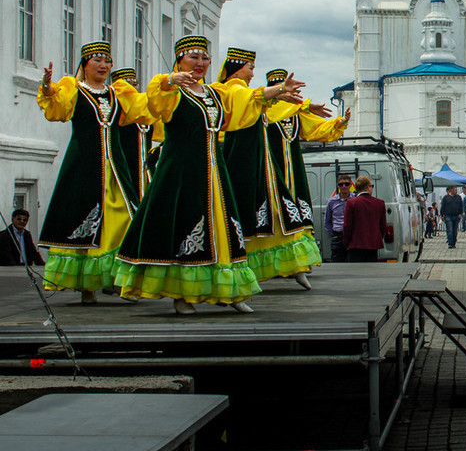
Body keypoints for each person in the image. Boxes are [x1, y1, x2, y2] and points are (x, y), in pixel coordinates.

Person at [115, 36, 304, 314]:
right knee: (184, 226)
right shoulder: (172, 92)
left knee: (225, 226)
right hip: (181, 171)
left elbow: (244, 100)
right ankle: (182, 295)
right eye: (193, 57)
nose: (200, 63)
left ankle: (232, 291)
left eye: (205, 58)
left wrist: (276, 91)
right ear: (179, 59)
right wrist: (169, 80)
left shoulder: (215, 94)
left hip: (214, 171)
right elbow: (154, 103)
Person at [36, 41, 142, 302]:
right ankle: (87, 287)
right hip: (85, 165)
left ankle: (119, 277)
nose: (103, 65)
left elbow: (145, 110)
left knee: (123, 217)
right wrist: (48, 87)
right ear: (84, 65)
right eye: (97, 60)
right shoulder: (75, 90)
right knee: (85, 219)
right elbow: (57, 109)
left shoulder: (118, 93)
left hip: (115, 168)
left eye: (107, 61)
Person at [220, 50, 326, 289]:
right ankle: (237, 275)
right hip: (239, 165)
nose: (252, 73)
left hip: (262, 165)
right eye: (250, 68)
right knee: (245, 219)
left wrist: (302, 107)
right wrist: (285, 95)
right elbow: (254, 99)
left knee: (279, 216)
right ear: (237, 68)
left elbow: (274, 109)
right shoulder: (229, 91)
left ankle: (294, 266)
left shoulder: (254, 97)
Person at [261, 68, 349, 279]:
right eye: (284, 91)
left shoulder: (296, 115)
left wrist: (339, 123)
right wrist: (304, 105)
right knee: (273, 215)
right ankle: (273, 264)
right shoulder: (264, 111)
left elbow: (316, 129)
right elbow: (276, 110)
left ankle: (296, 262)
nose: (291, 95)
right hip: (271, 170)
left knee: (297, 214)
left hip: (294, 171)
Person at [108, 68, 156, 202]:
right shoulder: (116, 113)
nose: (131, 88)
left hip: (145, 168)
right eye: (127, 84)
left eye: (134, 84)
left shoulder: (145, 110)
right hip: (124, 166)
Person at [343, 174, 386, 262]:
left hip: (355, 244)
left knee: (357, 272)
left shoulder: (351, 203)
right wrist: (377, 238)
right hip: (373, 244)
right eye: (372, 186)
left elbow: (347, 225)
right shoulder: (379, 203)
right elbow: (382, 226)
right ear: (368, 187)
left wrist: (347, 242)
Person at [324, 175, 354, 262]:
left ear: (351, 185)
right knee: (337, 261)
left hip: (352, 236)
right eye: (341, 184)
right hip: (338, 235)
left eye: (346, 184)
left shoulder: (355, 199)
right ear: (338, 185)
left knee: (353, 261)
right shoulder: (332, 201)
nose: (344, 186)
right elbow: (327, 221)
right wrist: (334, 234)